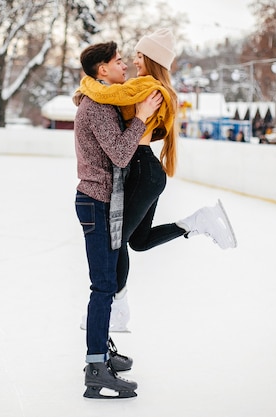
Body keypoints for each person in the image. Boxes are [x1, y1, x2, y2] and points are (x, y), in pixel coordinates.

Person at [75, 29, 237, 334]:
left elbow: (108, 94)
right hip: (145, 169)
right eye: (129, 57)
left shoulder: (144, 86)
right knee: (138, 240)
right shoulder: (151, 87)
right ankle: (196, 222)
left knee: (116, 239)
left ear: (151, 59)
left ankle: (118, 308)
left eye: (137, 56)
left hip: (141, 167)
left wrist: (86, 84)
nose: (133, 62)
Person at [73, 40, 163, 399]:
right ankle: (96, 368)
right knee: (103, 286)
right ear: (102, 70)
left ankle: (102, 354)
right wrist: (141, 115)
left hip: (102, 202)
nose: (124, 66)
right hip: (95, 203)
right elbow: (122, 154)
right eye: (118, 61)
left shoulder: (104, 101)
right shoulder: (95, 106)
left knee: (106, 284)